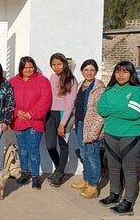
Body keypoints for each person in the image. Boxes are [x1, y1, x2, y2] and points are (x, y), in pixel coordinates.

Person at [97, 61, 140, 215]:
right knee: (113, 166)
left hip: (129, 135)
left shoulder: (137, 91)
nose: (121, 75)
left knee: (129, 169)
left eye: (125, 72)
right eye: (118, 71)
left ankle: (128, 202)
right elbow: (100, 109)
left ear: (131, 74)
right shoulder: (110, 89)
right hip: (111, 133)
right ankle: (114, 194)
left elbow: (133, 113)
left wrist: (111, 111)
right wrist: (120, 109)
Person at [9, 56, 52, 190]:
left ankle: (35, 176)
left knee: (33, 150)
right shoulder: (12, 82)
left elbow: (45, 99)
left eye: (31, 67)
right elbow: (8, 100)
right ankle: (24, 172)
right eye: (25, 67)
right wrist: (17, 112)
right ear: (21, 68)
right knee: (22, 150)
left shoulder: (42, 81)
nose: (28, 70)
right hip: (19, 121)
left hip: (34, 121)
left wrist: (31, 113)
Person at [70, 59, 106, 198]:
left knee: (92, 156)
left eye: (92, 70)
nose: (89, 72)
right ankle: (86, 180)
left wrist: (95, 131)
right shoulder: (80, 85)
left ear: (96, 72)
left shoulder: (99, 88)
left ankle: (93, 186)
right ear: (82, 71)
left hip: (92, 128)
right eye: (86, 70)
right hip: (80, 124)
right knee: (84, 155)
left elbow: (101, 113)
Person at [46, 53, 78, 187]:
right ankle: (59, 167)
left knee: (63, 146)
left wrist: (62, 124)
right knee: (50, 146)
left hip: (63, 115)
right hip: (51, 114)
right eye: (54, 64)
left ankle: (59, 173)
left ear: (64, 63)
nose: (56, 67)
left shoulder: (71, 79)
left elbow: (70, 104)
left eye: (59, 64)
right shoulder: (52, 77)